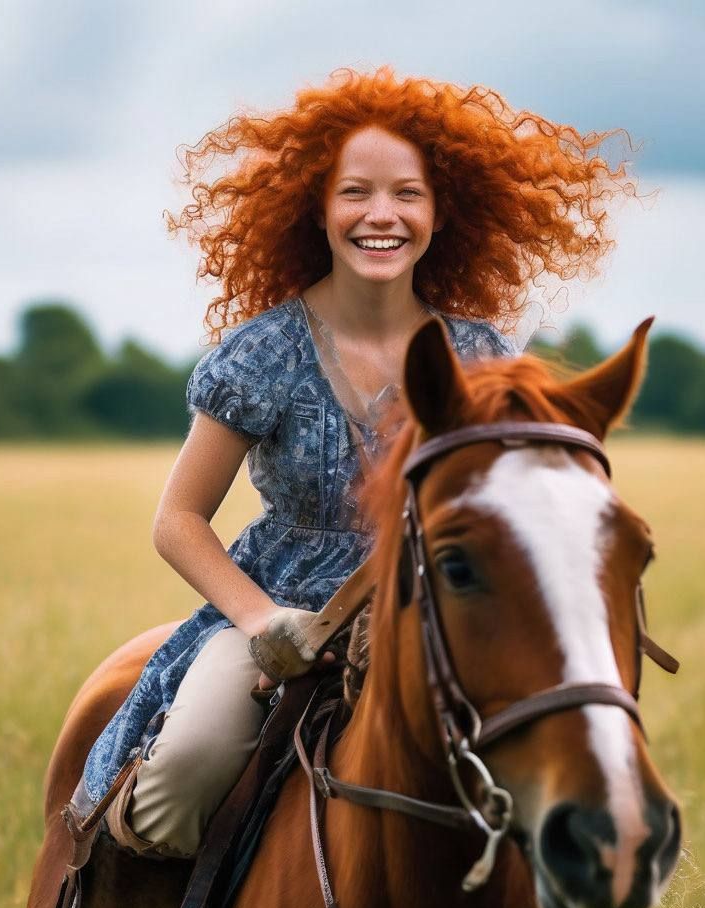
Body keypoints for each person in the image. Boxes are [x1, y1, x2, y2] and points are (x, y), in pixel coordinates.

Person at [77, 64, 635, 862]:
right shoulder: (260, 354)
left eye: (408, 193)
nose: (383, 215)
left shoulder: (482, 359)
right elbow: (178, 520)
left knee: (570, 762)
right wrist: (261, 621)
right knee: (186, 773)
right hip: (277, 619)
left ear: (443, 213)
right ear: (319, 208)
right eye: (356, 192)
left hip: (440, 615)